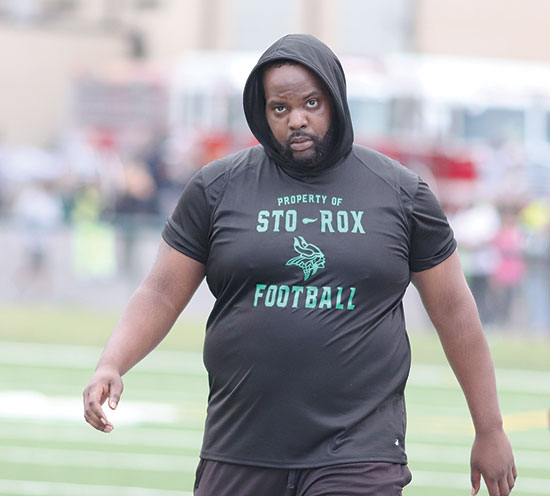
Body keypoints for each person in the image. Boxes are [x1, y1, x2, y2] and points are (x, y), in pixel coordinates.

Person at [83, 34, 516, 496]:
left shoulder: (401, 192)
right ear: (262, 112)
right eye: (280, 108)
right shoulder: (217, 188)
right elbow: (161, 291)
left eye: (311, 102)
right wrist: (113, 362)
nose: (297, 119)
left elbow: (453, 309)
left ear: (336, 101)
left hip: (358, 452)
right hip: (240, 443)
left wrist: (489, 428)